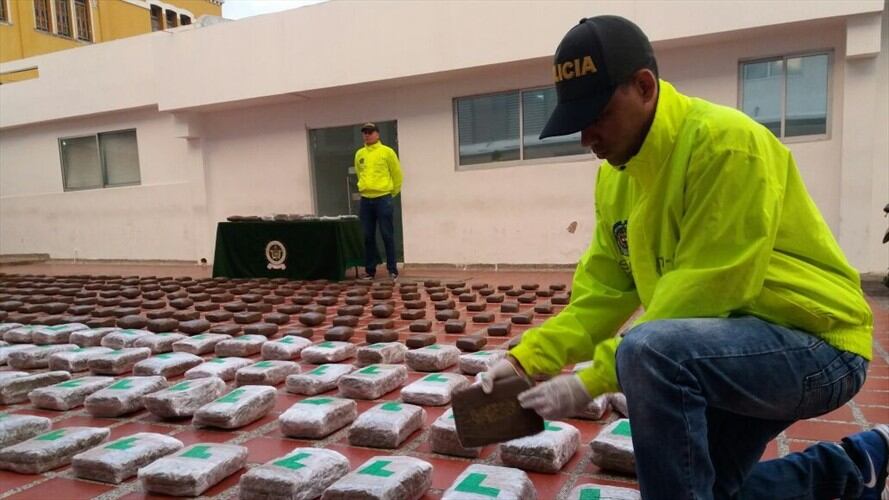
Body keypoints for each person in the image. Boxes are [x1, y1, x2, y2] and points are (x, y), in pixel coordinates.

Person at [477, 15, 886, 499]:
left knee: (648, 353)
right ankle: (855, 464)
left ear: (644, 87)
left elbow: (709, 288)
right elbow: (602, 293)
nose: (587, 138)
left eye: (597, 115)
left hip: (818, 344)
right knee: (707, 487)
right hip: (726, 346)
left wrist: (593, 380)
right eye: (577, 123)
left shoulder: (726, 145)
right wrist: (525, 360)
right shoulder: (617, 177)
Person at [354, 122, 402, 280]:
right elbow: (359, 174)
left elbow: (397, 174)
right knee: (367, 236)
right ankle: (370, 270)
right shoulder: (359, 154)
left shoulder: (387, 152)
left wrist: (390, 193)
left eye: (370, 132)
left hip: (383, 198)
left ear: (377, 134)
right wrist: (364, 188)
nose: (367, 135)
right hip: (366, 200)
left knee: (387, 234)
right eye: (365, 132)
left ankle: (392, 270)